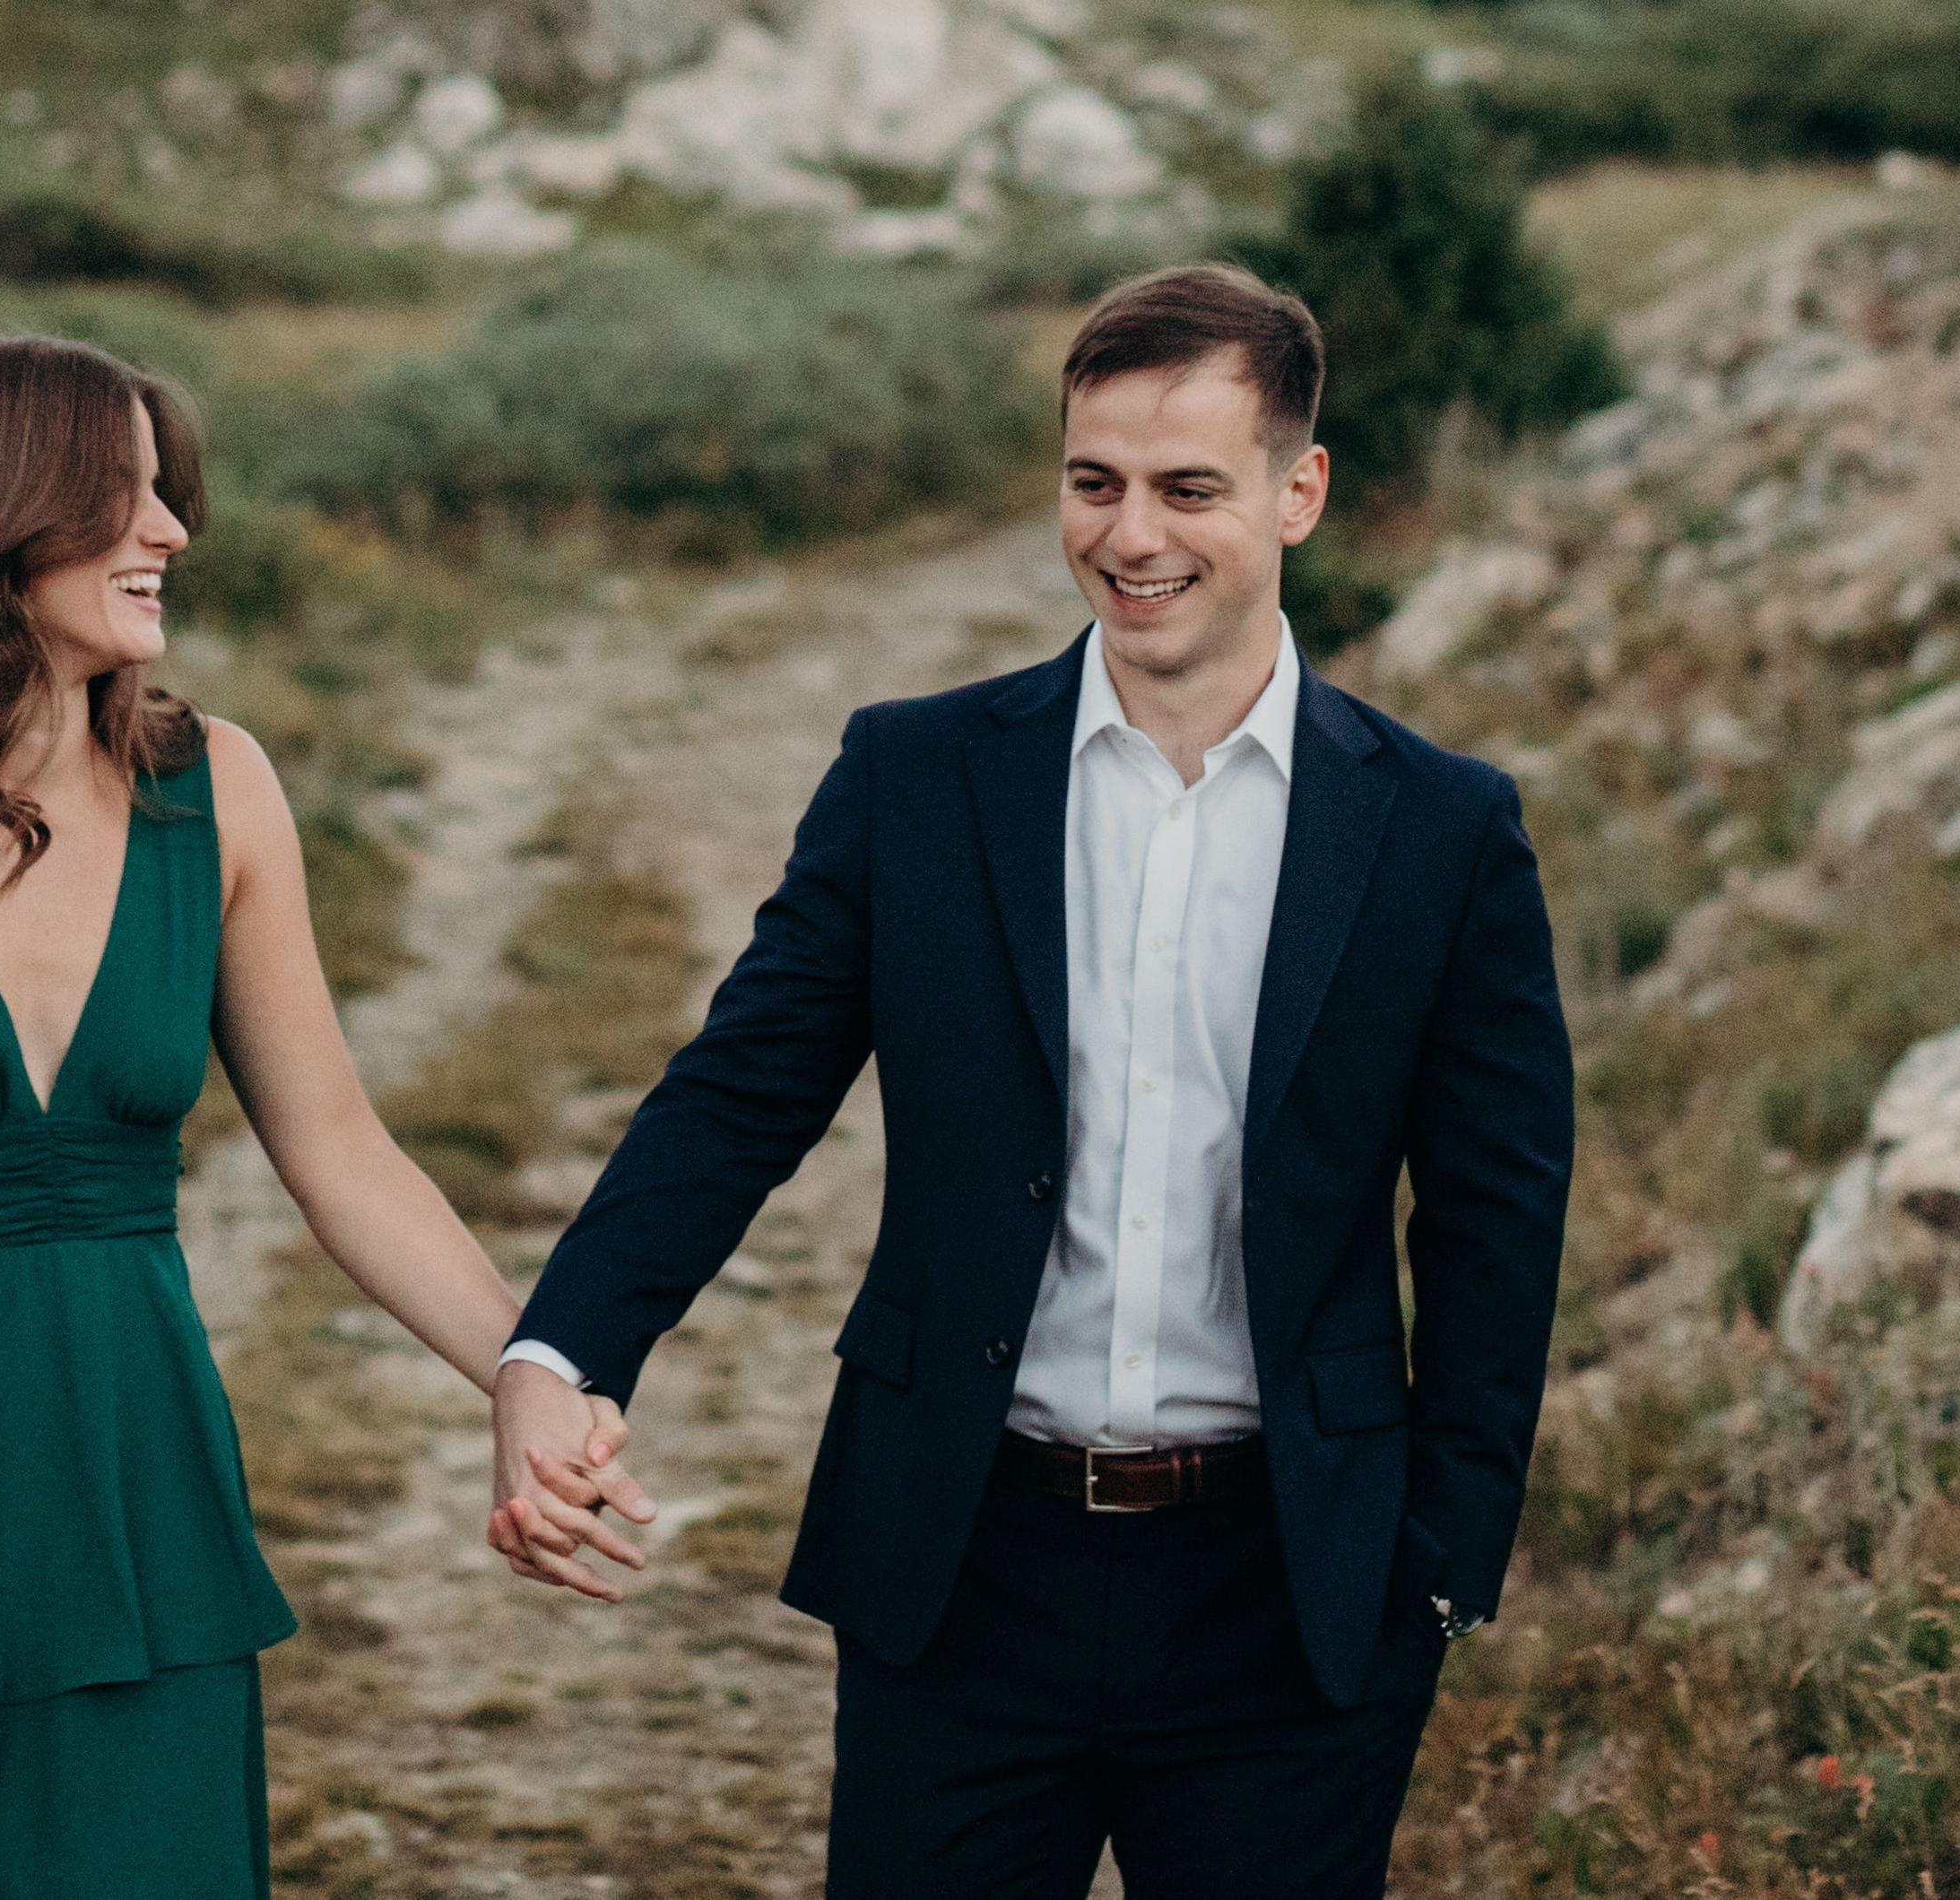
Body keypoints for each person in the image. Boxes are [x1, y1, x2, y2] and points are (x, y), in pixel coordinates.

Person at [487, 261, 1574, 1900]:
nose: (1129, 534)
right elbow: (740, 1092)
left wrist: (1436, 1576)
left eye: (1186, 487)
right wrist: (564, 1349)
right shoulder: (913, 776)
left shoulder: (1439, 828)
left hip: (1290, 1588)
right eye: (1093, 482)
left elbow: (1499, 1212)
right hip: (960, 1563)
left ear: (1300, 493)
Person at [0, 330, 644, 1900]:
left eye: (168, 496)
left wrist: (520, 1369)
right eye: (124, 499)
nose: (171, 532)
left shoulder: (214, 786)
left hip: (128, 1498)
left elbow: (340, 1149)